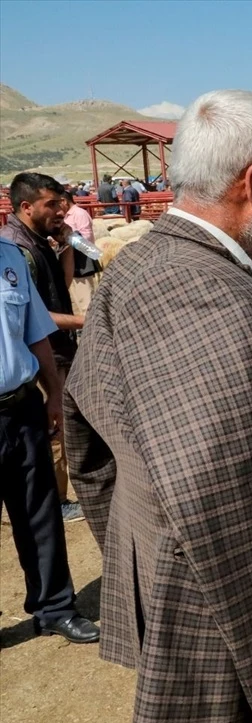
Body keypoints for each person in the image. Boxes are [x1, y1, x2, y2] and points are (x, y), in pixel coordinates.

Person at [62, 89, 252, 723]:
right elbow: (220, 498)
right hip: (226, 622)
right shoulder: (207, 290)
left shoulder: (141, 261)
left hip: (186, 588)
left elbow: (87, 446)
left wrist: (133, 554)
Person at [0, 233, 99, 644]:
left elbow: (35, 331)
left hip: (20, 407)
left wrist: (54, 393)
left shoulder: (11, 259)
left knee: (40, 512)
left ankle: (54, 607)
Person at [0, 173, 85, 523]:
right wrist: (84, 321)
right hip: (38, 357)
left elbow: (60, 289)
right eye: (51, 204)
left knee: (59, 429)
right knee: (52, 433)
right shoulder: (15, 248)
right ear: (26, 206)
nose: (60, 211)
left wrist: (64, 248)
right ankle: (56, 501)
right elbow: (40, 314)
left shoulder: (38, 241)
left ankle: (57, 499)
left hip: (54, 351)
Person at [62, 191, 101, 317]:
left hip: (82, 260)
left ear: (64, 201)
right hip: (71, 259)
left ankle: (90, 323)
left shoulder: (79, 213)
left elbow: (87, 237)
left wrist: (66, 238)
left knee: (85, 297)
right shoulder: (66, 215)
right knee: (76, 297)